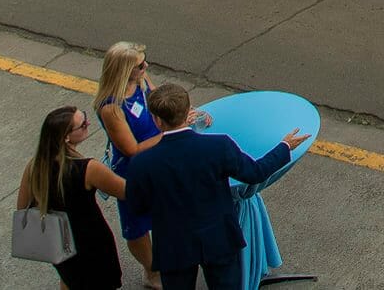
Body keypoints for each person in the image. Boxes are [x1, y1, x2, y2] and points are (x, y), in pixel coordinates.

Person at [122, 83, 307, 290]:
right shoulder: (218, 146)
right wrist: (284, 147)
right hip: (218, 239)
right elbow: (256, 173)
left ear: (156, 120)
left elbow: (137, 207)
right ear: (188, 111)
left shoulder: (142, 163)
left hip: (174, 245)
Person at [18, 105, 126, 290]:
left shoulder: (34, 166)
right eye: (83, 124)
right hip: (92, 243)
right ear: (66, 137)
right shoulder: (88, 168)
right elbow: (128, 192)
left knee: (71, 280)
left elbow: (22, 209)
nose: (88, 122)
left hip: (59, 243)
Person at [94, 42, 165, 289]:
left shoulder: (141, 81)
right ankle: (152, 270)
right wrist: (169, 133)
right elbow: (132, 149)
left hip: (158, 159)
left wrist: (183, 114)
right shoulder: (111, 107)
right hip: (134, 171)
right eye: (139, 65)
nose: (146, 66)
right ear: (124, 70)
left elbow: (159, 103)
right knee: (137, 226)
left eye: (144, 61)